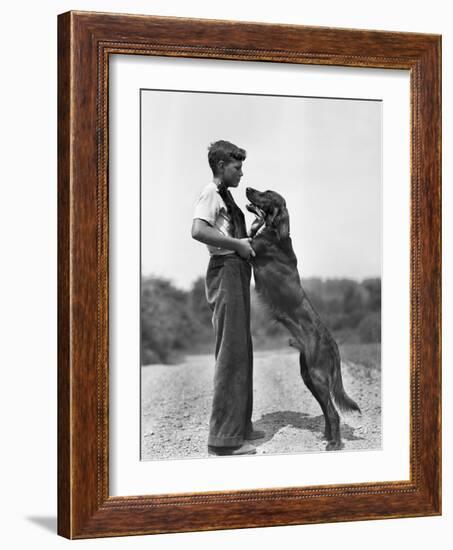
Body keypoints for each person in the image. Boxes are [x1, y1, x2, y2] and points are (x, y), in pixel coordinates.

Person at [191, 140, 265, 456]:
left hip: (237, 270)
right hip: (224, 271)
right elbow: (197, 231)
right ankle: (223, 441)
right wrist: (237, 245)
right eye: (237, 167)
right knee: (230, 353)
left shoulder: (227, 197)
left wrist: (254, 231)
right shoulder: (210, 191)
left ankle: (240, 427)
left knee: (241, 350)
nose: (241, 173)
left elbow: (232, 235)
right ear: (222, 165)